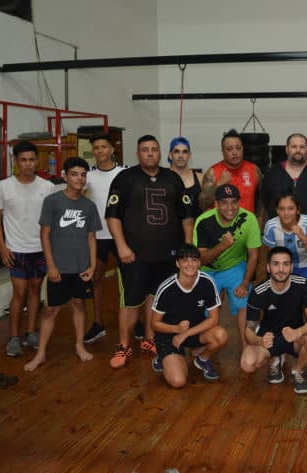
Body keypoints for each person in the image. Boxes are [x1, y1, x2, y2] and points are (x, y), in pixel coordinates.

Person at [106, 135, 194, 368]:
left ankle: (150, 339)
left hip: (167, 255)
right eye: (145, 149)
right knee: (131, 302)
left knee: (156, 299)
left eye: (154, 149)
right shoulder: (125, 178)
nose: (150, 153)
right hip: (133, 255)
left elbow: (186, 216)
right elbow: (112, 216)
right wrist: (122, 246)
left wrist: (186, 248)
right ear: (138, 153)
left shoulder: (172, 178)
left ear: (160, 152)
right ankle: (124, 346)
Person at [23, 157, 101, 371]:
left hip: (81, 267)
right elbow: (44, 234)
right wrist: (51, 265)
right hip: (59, 267)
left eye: (83, 174)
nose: (79, 178)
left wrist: (92, 265)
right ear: (65, 176)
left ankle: (79, 345)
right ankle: (41, 353)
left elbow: (91, 236)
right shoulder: (53, 201)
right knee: (51, 309)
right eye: (74, 174)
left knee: (79, 304)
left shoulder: (89, 205)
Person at [0, 141, 55, 357]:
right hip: (16, 250)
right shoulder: (3, 186)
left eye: (31, 159)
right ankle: (14, 337)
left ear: (37, 161)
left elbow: (51, 221)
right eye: (23, 160)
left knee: (35, 291)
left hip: (39, 249)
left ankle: (31, 332)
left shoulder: (47, 187)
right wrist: (2, 247)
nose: (27, 164)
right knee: (19, 292)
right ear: (15, 162)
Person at [240, 246, 307, 395]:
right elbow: (248, 330)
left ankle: (297, 371)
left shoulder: (304, 285)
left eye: (285, 264)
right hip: (269, 337)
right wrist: (259, 340)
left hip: (294, 336)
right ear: (268, 267)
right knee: (247, 364)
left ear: (291, 267)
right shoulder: (258, 292)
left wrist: (298, 332)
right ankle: (275, 360)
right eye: (276, 264)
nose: (281, 269)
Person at [150, 244, 228, 387]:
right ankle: (163, 357)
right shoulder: (166, 288)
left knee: (221, 335)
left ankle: (202, 360)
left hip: (193, 331)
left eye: (194, 260)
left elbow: (214, 319)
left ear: (199, 263)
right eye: (185, 260)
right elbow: (154, 324)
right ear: (177, 264)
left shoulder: (207, 282)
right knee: (178, 381)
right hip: (169, 334)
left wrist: (185, 334)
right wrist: (176, 329)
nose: (190, 264)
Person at [194, 184, 261, 349]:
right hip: (208, 270)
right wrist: (222, 246)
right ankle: (205, 339)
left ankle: (246, 345)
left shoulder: (249, 219)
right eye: (224, 202)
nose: (230, 207)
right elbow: (200, 260)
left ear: (239, 203)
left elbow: (254, 255)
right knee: (204, 307)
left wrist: (245, 282)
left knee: (243, 301)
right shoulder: (203, 221)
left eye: (234, 202)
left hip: (235, 266)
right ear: (216, 204)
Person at [261, 133, 307, 262]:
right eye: (294, 146)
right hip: (280, 241)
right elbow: (266, 201)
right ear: (287, 149)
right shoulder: (272, 173)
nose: (298, 150)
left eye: (302, 146)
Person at [82, 133, 126, 343]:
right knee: (96, 279)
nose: (100, 151)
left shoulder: (124, 173)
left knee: (128, 281)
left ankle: (134, 323)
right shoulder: (87, 176)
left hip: (121, 235)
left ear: (111, 150)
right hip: (97, 236)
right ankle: (98, 323)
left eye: (103, 147)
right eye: (96, 147)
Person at [198, 128, 262, 215]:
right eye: (229, 149)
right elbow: (202, 204)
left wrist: (259, 220)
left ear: (243, 149)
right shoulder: (213, 172)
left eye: (238, 148)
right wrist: (219, 185)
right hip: (221, 227)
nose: (235, 152)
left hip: (247, 225)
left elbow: (261, 199)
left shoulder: (254, 170)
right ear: (223, 151)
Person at [262, 191, 307, 280]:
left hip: (305, 268)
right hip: (281, 269)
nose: (286, 213)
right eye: (282, 209)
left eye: (291, 208)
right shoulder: (271, 226)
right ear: (277, 210)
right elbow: (271, 257)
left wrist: (304, 238)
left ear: (298, 210)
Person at [168, 136, 204, 218]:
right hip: (171, 229)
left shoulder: (200, 178)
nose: (181, 155)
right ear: (170, 155)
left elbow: (207, 207)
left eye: (184, 152)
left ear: (189, 155)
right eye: (176, 151)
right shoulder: (162, 178)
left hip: (195, 228)